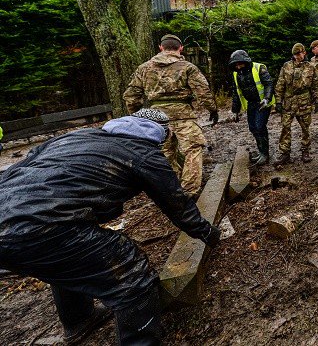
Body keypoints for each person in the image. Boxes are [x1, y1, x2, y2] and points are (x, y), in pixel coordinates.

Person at [0, 109, 221, 345]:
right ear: (161, 133)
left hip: (9, 217)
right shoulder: (145, 154)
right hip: (44, 225)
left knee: (66, 259)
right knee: (132, 276)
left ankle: (79, 320)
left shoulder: (77, 136)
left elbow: (22, 167)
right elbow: (177, 204)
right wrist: (207, 232)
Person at [124, 34, 218, 197]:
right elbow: (203, 92)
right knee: (193, 149)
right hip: (183, 115)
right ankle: (189, 191)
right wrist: (212, 109)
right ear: (180, 48)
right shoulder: (187, 67)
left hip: (156, 118)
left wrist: (138, 115)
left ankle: (170, 189)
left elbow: (131, 96)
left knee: (164, 154)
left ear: (161, 48)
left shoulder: (144, 68)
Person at [274, 43, 318, 165]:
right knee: (285, 128)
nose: (297, 56)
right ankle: (285, 153)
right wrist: (278, 101)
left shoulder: (310, 67)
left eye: (299, 54)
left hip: (304, 102)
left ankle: (305, 151)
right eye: (295, 54)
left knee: (305, 128)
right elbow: (280, 85)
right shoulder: (286, 66)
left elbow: (316, 85)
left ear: (304, 53)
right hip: (289, 102)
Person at [229, 50, 274, 164]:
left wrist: (267, 98)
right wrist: (235, 111)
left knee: (260, 126)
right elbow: (236, 92)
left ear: (245, 61)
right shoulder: (236, 74)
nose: (238, 67)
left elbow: (269, 83)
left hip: (263, 102)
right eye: (236, 65)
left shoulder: (259, 68)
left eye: (240, 64)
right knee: (253, 127)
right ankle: (261, 151)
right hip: (251, 103)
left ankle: (265, 154)